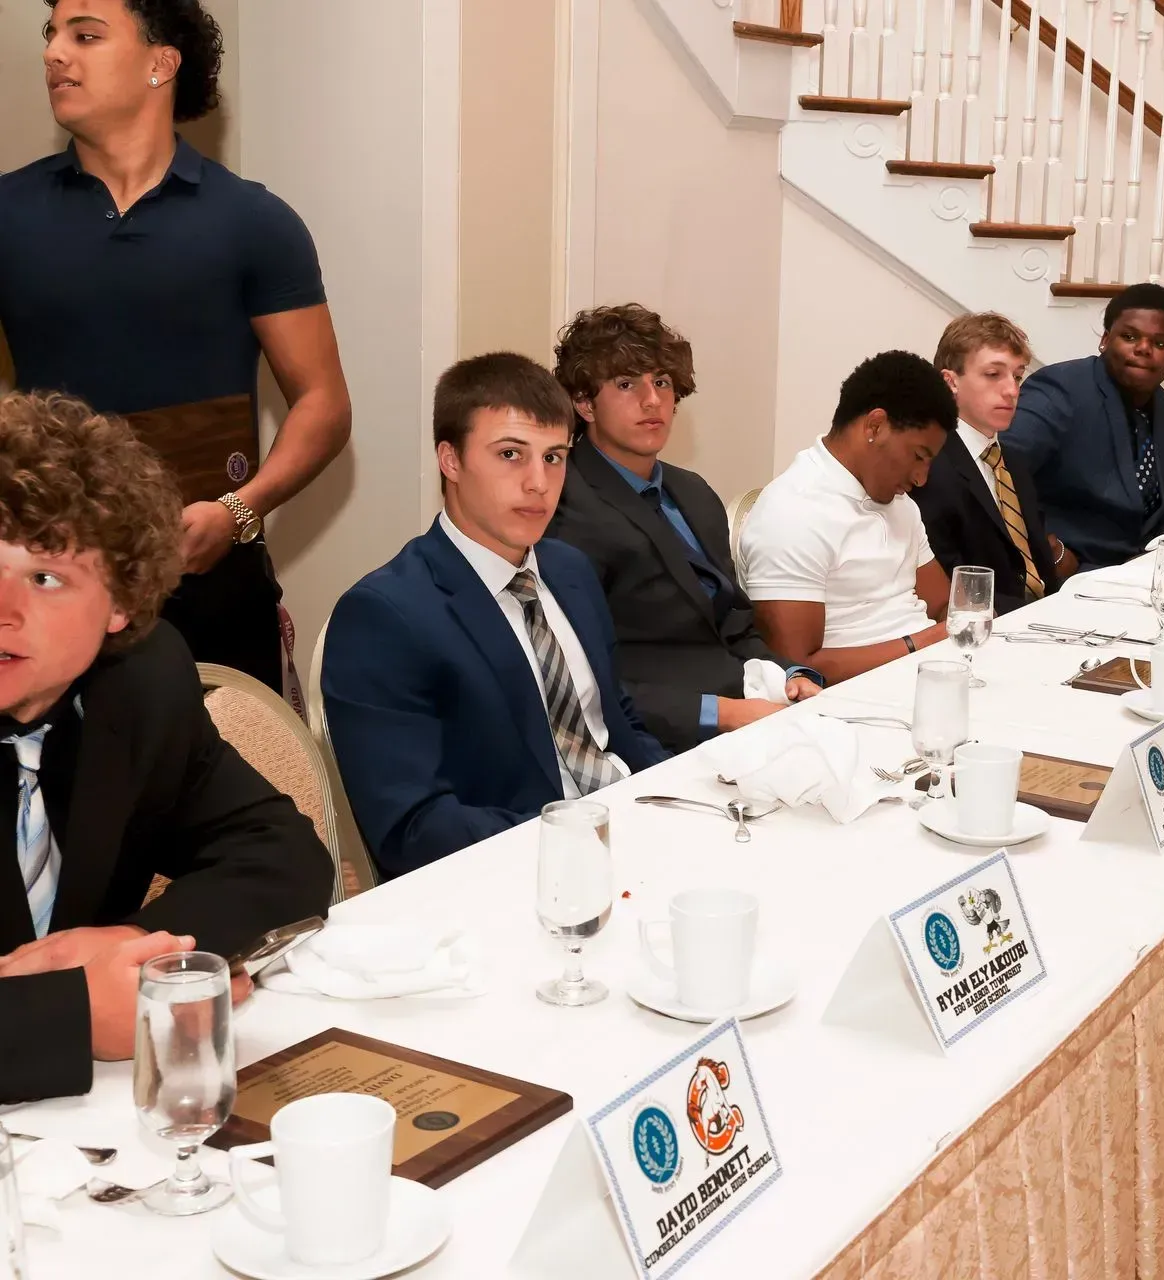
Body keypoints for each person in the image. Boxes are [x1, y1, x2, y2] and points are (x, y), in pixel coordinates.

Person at [0, 0, 351, 693]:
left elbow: (324, 404)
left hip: (215, 594)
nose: (54, 54)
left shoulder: (255, 221)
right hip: (42, 591)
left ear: (161, 63)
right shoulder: (8, 215)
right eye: (53, 35)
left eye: (86, 35)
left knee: (227, 796)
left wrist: (239, 512)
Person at [0, 391, 332, 1103]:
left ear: (120, 603)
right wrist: (71, 1011)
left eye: (45, 576)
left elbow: (282, 857)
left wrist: (129, 956)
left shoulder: (140, 683)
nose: (4, 610)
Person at [322, 355, 668, 878]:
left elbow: (614, 723)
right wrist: (582, 836)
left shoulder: (569, 569)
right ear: (451, 460)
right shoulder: (384, 615)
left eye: (554, 457)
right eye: (511, 454)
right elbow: (410, 829)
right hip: (508, 877)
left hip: (634, 838)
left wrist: (679, 789)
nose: (539, 482)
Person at [545, 305, 821, 754]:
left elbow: (734, 625)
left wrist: (790, 675)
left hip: (749, 706)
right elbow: (581, 677)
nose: (652, 400)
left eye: (661, 382)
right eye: (626, 384)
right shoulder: (564, 504)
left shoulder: (693, 491)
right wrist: (724, 714)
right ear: (584, 403)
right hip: (652, 736)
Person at [740, 351, 956, 683]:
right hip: (853, 700)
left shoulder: (902, 506)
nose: (921, 478)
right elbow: (796, 668)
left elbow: (943, 605)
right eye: (918, 456)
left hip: (928, 671)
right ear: (876, 426)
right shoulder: (793, 512)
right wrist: (920, 644)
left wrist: (965, 623)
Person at [1000, 283, 1164, 568]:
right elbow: (1001, 471)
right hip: (1067, 573)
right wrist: (1052, 552)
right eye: (1129, 336)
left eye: (1160, 343)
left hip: (1143, 578)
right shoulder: (1060, 389)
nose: (1143, 349)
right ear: (1105, 339)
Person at [912, 313, 1070, 617]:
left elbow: (1038, 570)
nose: (1012, 390)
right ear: (951, 382)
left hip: (1042, 618)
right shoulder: (930, 466)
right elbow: (948, 585)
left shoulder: (1011, 460)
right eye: (993, 374)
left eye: (1017, 376)